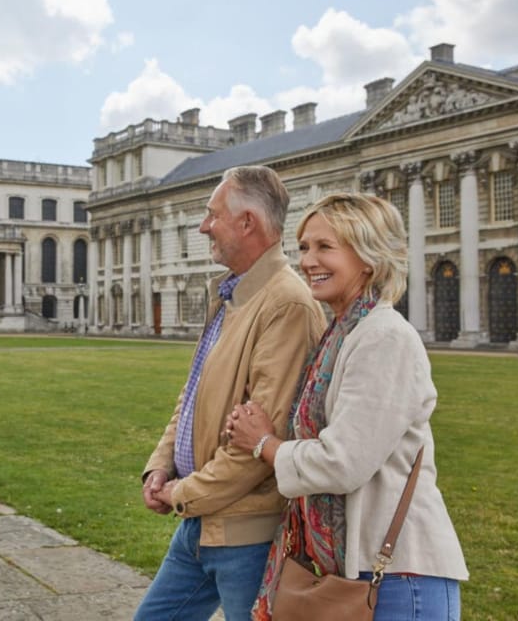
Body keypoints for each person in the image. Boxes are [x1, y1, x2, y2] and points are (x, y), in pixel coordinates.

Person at [225, 193, 468, 621]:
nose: (308, 261)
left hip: (398, 577)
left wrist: (263, 442)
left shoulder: (383, 337)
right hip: (355, 572)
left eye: (324, 247)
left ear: (368, 258)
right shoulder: (340, 335)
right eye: (303, 247)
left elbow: (342, 463)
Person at [134, 165, 326, 620]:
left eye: (211, 215)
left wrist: (184, 493)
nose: (203, 227)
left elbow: (258, 440)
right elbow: (193, 395)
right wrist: (159, 468)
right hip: (200, 522)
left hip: (247, 534)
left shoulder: (287, 305)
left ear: (248, 224)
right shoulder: (228, 293)